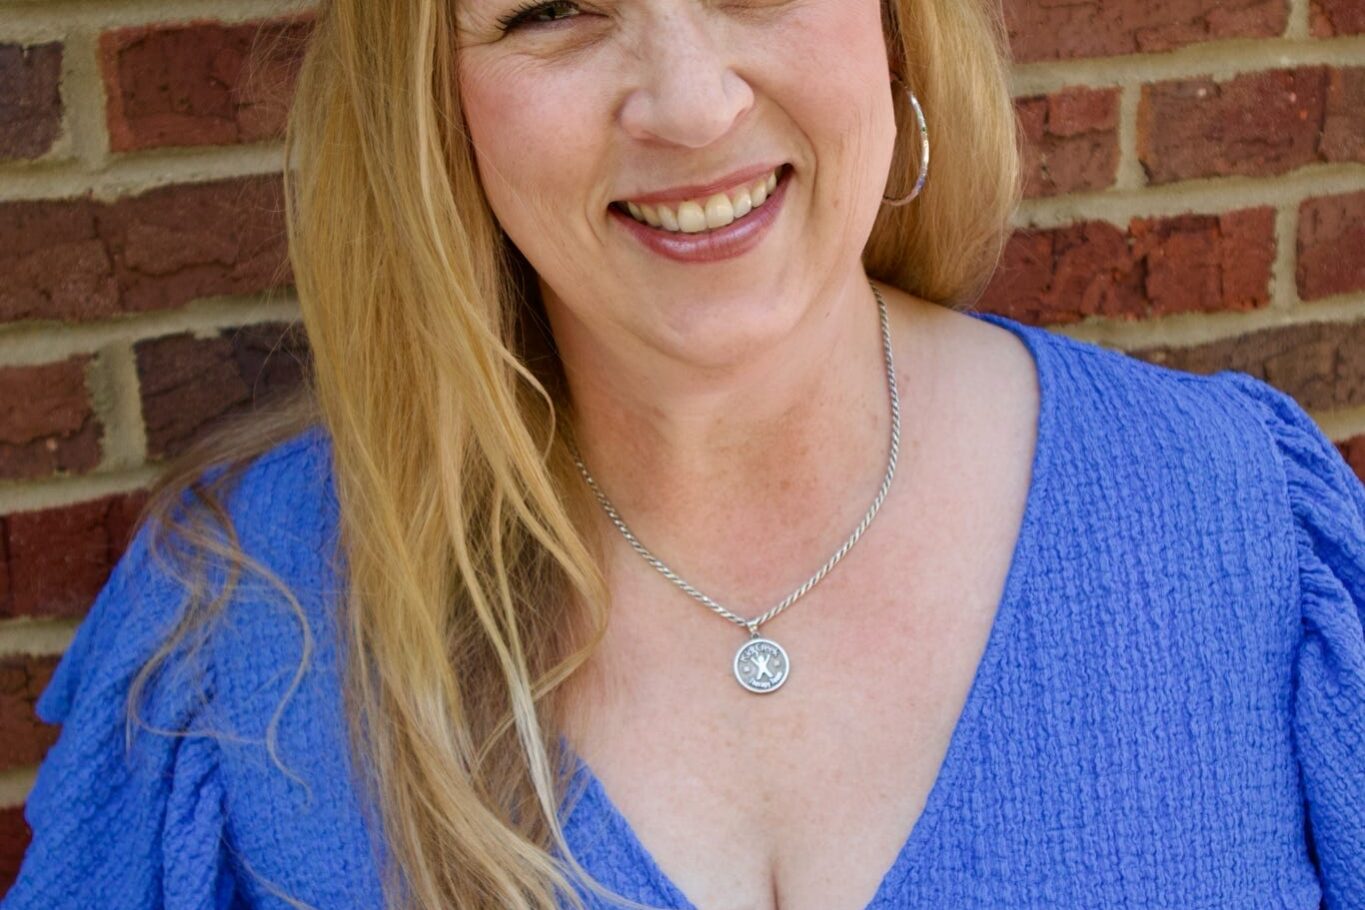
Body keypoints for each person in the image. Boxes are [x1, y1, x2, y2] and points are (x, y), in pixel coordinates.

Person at [5, 0, 1364, 907]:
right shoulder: (246, 622)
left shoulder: (1236, 525)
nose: (691, 104)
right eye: (552, 7)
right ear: (435, 103)